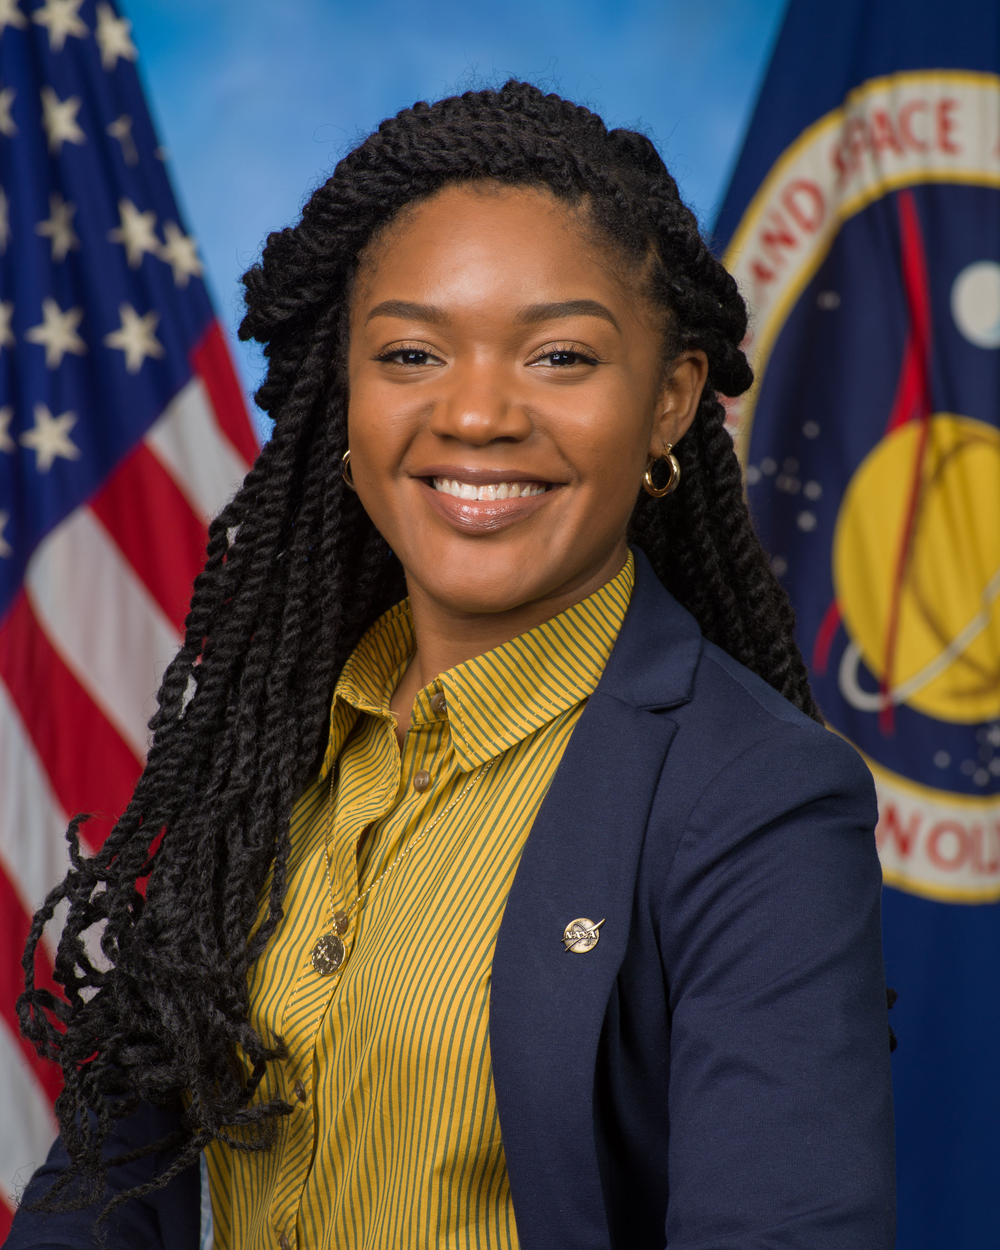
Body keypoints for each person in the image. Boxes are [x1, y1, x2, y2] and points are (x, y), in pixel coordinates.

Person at [9, 81, 895, 1250]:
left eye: (561, 355)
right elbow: (104, 1193)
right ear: (345, 390)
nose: (476, 412)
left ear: (671, 400)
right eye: (414, 351)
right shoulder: (265, 753)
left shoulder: (754, 799)